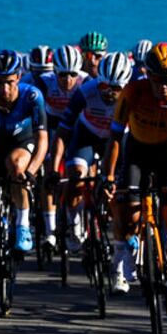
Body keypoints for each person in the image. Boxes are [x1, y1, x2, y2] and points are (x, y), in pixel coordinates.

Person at [104, 43, 167, 312]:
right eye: (158, 80)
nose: (164, 86)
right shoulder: (132, 92)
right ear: (147, 75)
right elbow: (115, 137)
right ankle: (127, 246)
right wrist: (108, 176)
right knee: (125, 206)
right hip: (137, 150)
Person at [52, 52, 133, 255]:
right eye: (104, 86)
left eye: (116, 88)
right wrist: (54, 169)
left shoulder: (133, 95)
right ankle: (75, 223)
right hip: (87, 135)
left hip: (118, 140)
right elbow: (63, 132)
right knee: (75, 177)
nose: (109, 93)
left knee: (118, 190)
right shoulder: (86, 91)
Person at [0, 49, 49, 253]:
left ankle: (22, 225)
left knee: (15, 166)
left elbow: (42, 140)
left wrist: (31, 171)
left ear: (19, 77)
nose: (4, 89)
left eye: (10, 82)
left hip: (22, 142)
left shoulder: (32, 96)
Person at [41, 44, 88, 249]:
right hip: (53, 126)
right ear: (54, 72)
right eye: (62, 75)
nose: (67, 80)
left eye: (72, 75)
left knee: (82, 174)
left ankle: (76, 219)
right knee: (49, 171)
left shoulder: (87, 82)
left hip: (79, 129)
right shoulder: (43, 82)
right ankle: (50, 230)